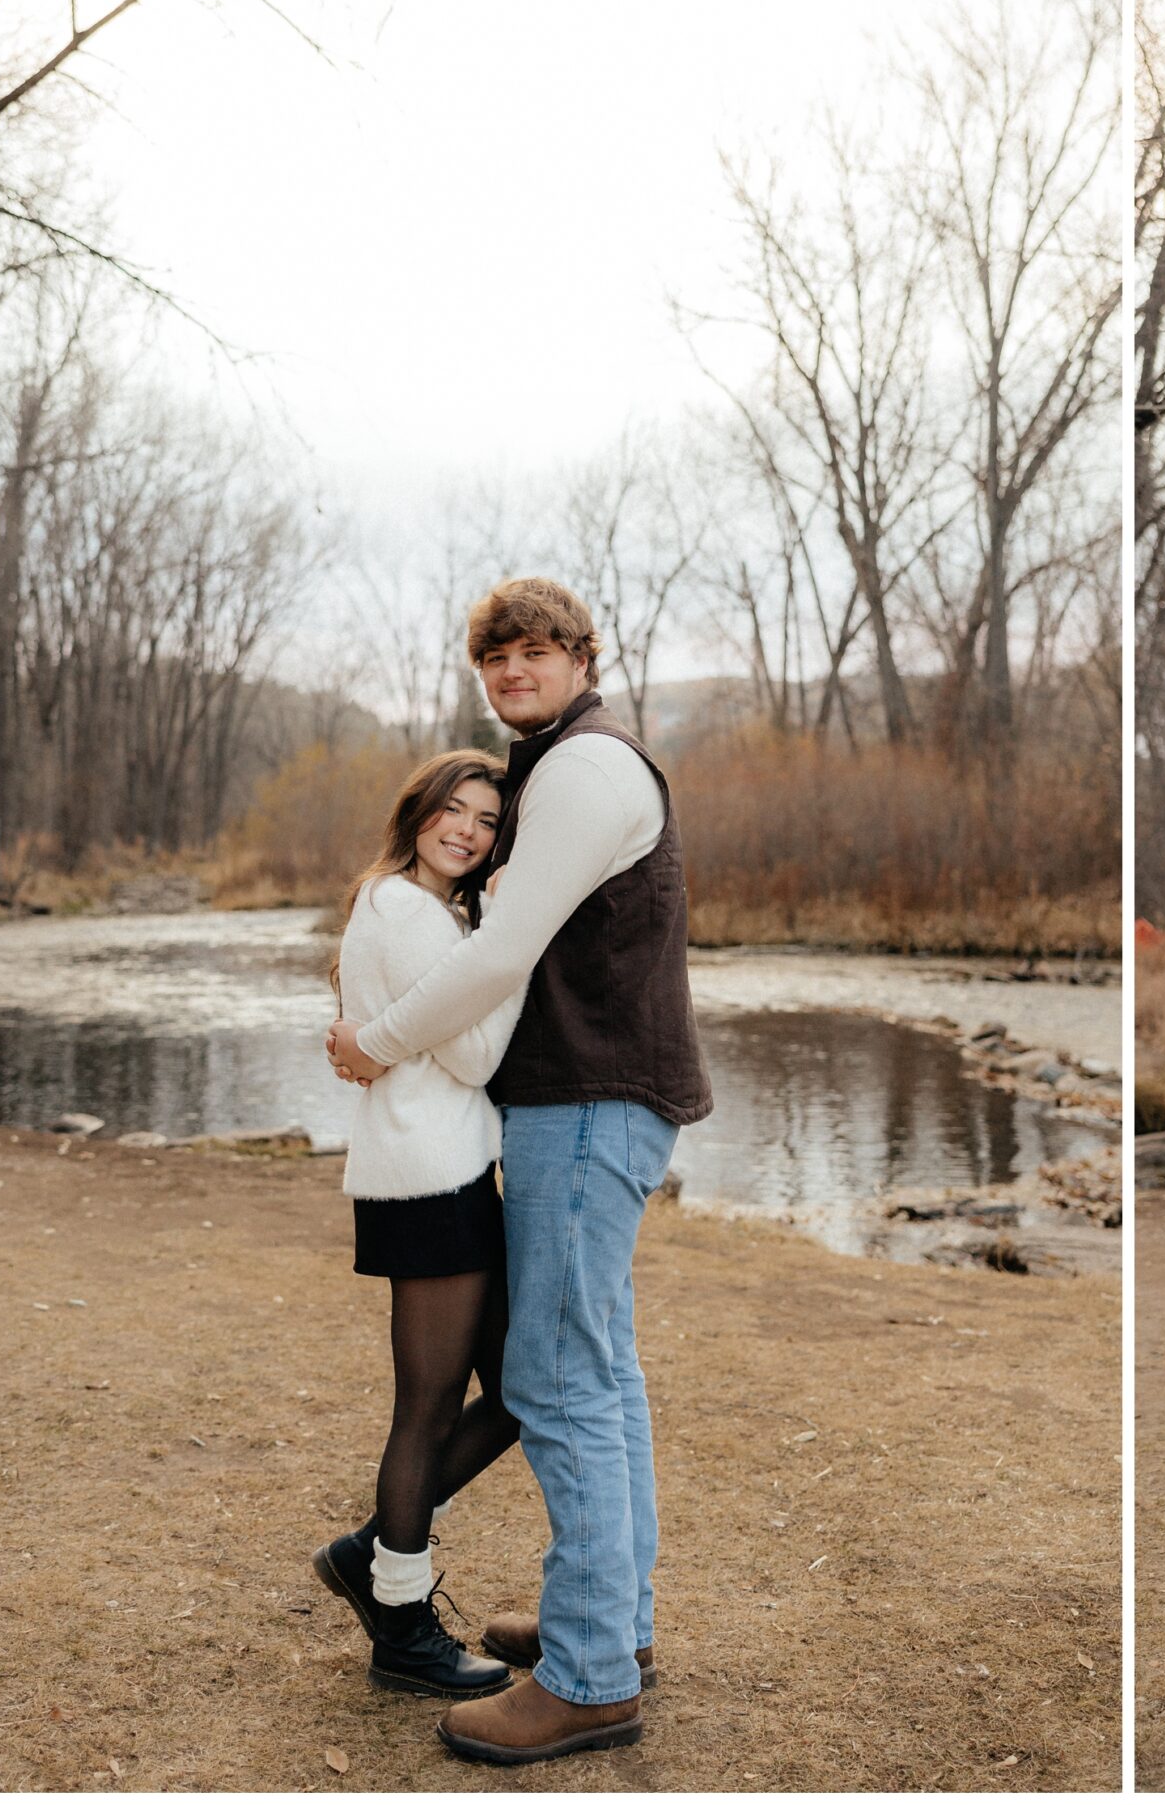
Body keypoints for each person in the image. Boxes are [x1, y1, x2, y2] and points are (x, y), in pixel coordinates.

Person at [328, 578, 712, 1767]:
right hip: (582, 1099)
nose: (512, 671)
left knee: (558, 1377)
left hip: (588, 1100)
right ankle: (612, 1626)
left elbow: (500, 951)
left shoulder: (589, 768)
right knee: (597, 1366)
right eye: (494, 656)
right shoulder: (552, 766)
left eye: (536, 652)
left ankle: (591, 1675)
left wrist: (374, 1041)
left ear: (581, 657)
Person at [309, 751, 528, 1699]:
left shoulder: (435, 912)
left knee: (524, 1388)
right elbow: (477, 1053)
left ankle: (378, 1549)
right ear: (422, 810)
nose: (468, 830)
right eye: (456, 809)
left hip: (452, 1174)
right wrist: (512, 944)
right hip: (425, 1183)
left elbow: (447, 1039)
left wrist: (486, 939)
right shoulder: (400, 905)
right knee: (430, 1405)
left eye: (486, 819)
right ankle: (400, 1622)